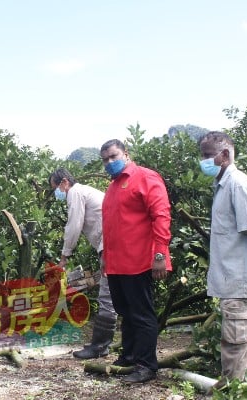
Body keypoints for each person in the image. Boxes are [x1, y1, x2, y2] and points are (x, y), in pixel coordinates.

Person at [198, 131, 247, 387]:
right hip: (238, 279)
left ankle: (231, 391)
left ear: (225, 155)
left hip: (239, 280)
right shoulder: (223, 185)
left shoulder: (237, 184)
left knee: (235, 343)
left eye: (208, 155)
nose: (203, 161)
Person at [100, 138, 172, 384]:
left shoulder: (146, 177)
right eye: (105, 159)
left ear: (126, 154)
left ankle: (146, 365)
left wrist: (160, 254)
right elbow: (110, 227)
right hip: (117, 263)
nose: (110, 162)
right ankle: (129, 356)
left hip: (140, 260)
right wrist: (105, 258)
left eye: (113, 156)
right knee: (125, 312)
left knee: (141, 314)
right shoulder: (111, 187)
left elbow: (161, 216)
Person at [48, 168, 117, 359]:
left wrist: (64, 257)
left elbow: (74, 225)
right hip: (112, 243)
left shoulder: (76, 193)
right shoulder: (86, 191)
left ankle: (99, 347)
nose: (57, 193)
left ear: (64, 182)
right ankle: (113, 344)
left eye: (56, 188)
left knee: (107, 295)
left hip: (111, 244)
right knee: (117, 294)